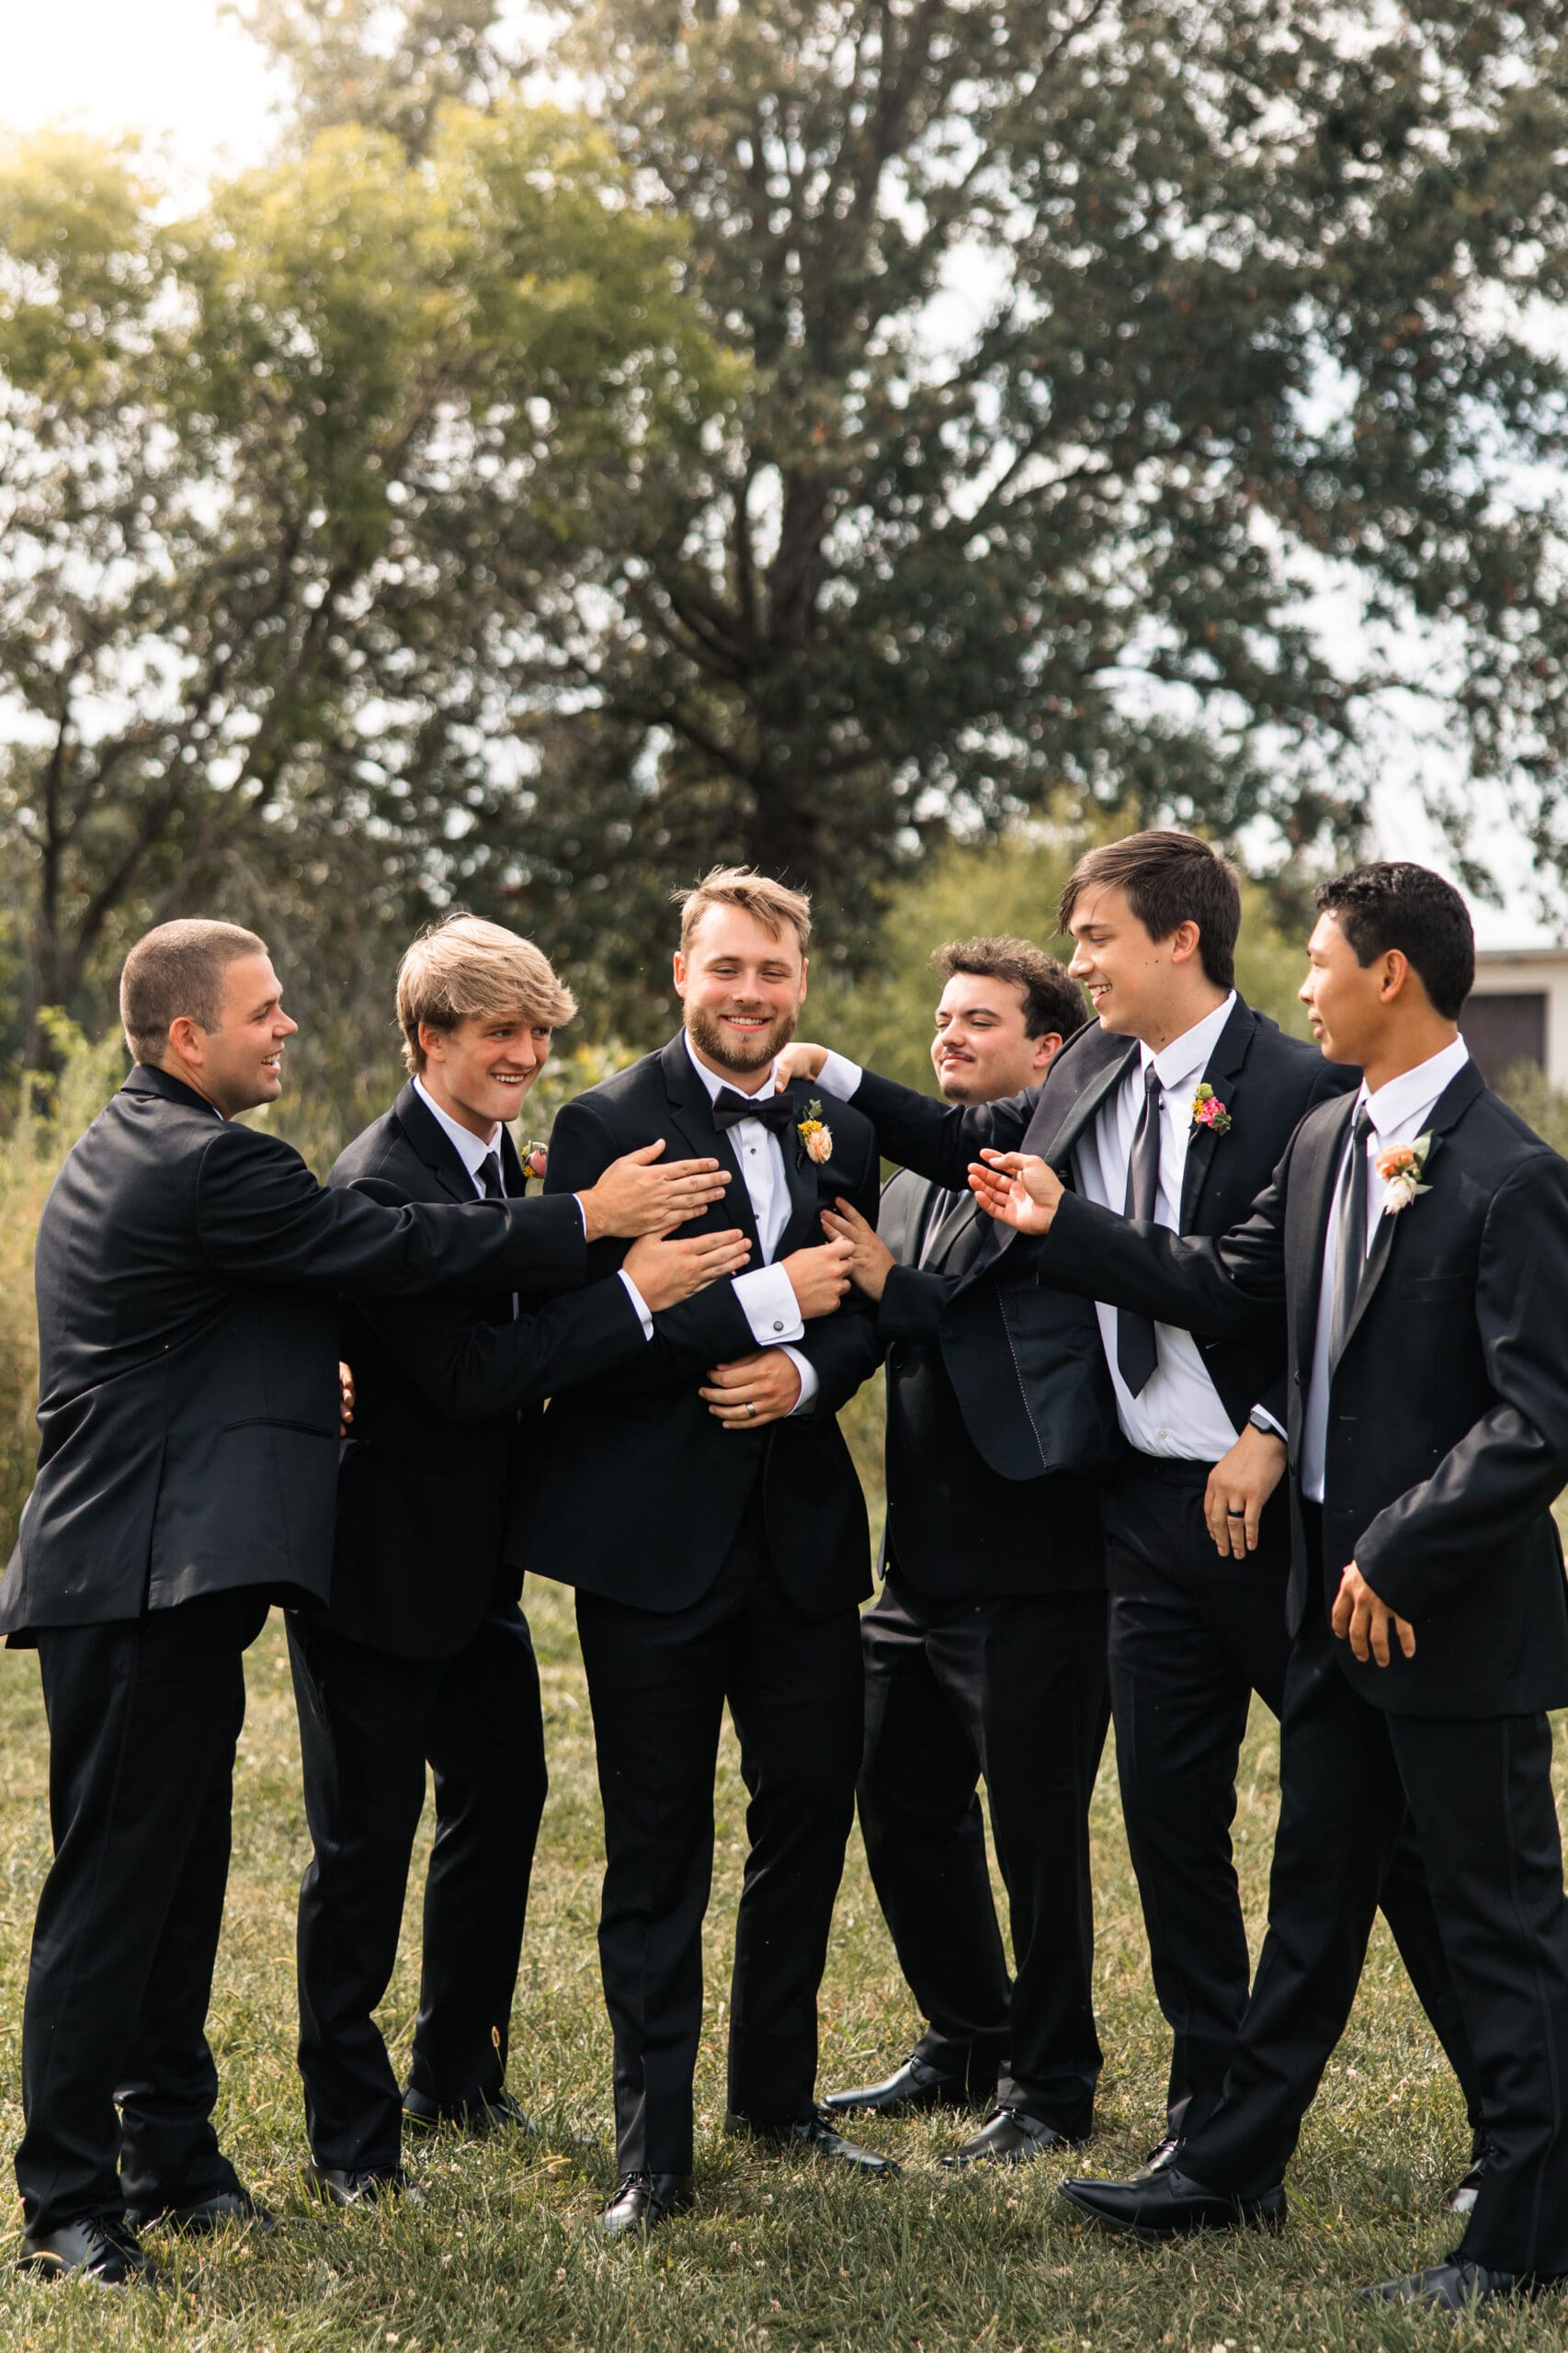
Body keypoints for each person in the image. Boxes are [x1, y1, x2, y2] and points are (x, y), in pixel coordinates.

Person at [5, 917, 730, 2287]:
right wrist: (589, 1223)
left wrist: (307, 1383)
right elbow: (381, 1245)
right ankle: (63, 2210)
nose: (286, 1027)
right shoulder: (214, 1160)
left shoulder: (146, 1146)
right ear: (184, 1038)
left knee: (174, 1890)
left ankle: (173, 2162)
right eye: (263, 1010)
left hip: (167, 1579)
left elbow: (254, 1309)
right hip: (134, 1575)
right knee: (112, 1899)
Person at [779, 832, 1480, 2175]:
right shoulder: (1092, 1066)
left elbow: (1343, 1287)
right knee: (1169, 1825)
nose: (1076, 961)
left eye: (1092, 936)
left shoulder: (1298, 1083)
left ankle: (1507, 2123)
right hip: (1139, 1511)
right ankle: (1206, 2130)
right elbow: (978, 1136)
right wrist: (841, 1076)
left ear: (1177, 939)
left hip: (1281, 1518)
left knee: (1381, 1826)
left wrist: (1270, 1426)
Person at [971, 863, 1568, 2313]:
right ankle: (1226, 2161)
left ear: (1391, 979)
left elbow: (1536, 1416)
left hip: (1443, 1613)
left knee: (1492, 1923)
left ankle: (1522, 2231)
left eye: (1316, 964)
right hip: (1321, 1601)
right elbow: (1228, 1290)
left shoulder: (1508, 1176)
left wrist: (1396, 1547)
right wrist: (1064, 1228)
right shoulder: (1314, 1143)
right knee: (1310, 1903)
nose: (1296, 988)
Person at [290, 916, 751, 2206]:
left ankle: (458, 2073)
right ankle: (350, 2139)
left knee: (501, 1803)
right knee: (361, 1854)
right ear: (428, 1034)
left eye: (540, 1032)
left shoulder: (505, 1166)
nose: (528, 1053)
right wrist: (634, 1285)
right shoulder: (378, 1181)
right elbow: (465, 1377)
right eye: (500, 1031)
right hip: (374, 1576)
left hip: (478, 1574)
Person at [517, 867, 891, 2238]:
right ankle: (650, 2156)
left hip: (800, 1543)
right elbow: (589, 1337)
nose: (750, 995)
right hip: (650, 1548)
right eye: (726, 969)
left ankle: (777, 2100)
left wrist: (808, 1376)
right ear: (684, 972)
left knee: (804, 1818)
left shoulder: (837, 1127)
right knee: (654, 1847)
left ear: (801, 981)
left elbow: (862, 1306)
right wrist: (760, 1303)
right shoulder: (601, 1123)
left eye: (773, 974)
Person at [817, 938, 1114, 2168]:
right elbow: (888, 1321)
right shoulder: (903, 1181)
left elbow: (966, 1312)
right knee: (895, 1797)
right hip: (917, 1567)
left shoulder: (1046, 1167)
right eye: (941, 1019)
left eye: (978, 1022)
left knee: (1035, 1836)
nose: (948, 1038)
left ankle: (1052, 2086)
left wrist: (889, 1286)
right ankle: (966, 2035)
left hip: (1039, 1565)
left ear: (1049, 1051)